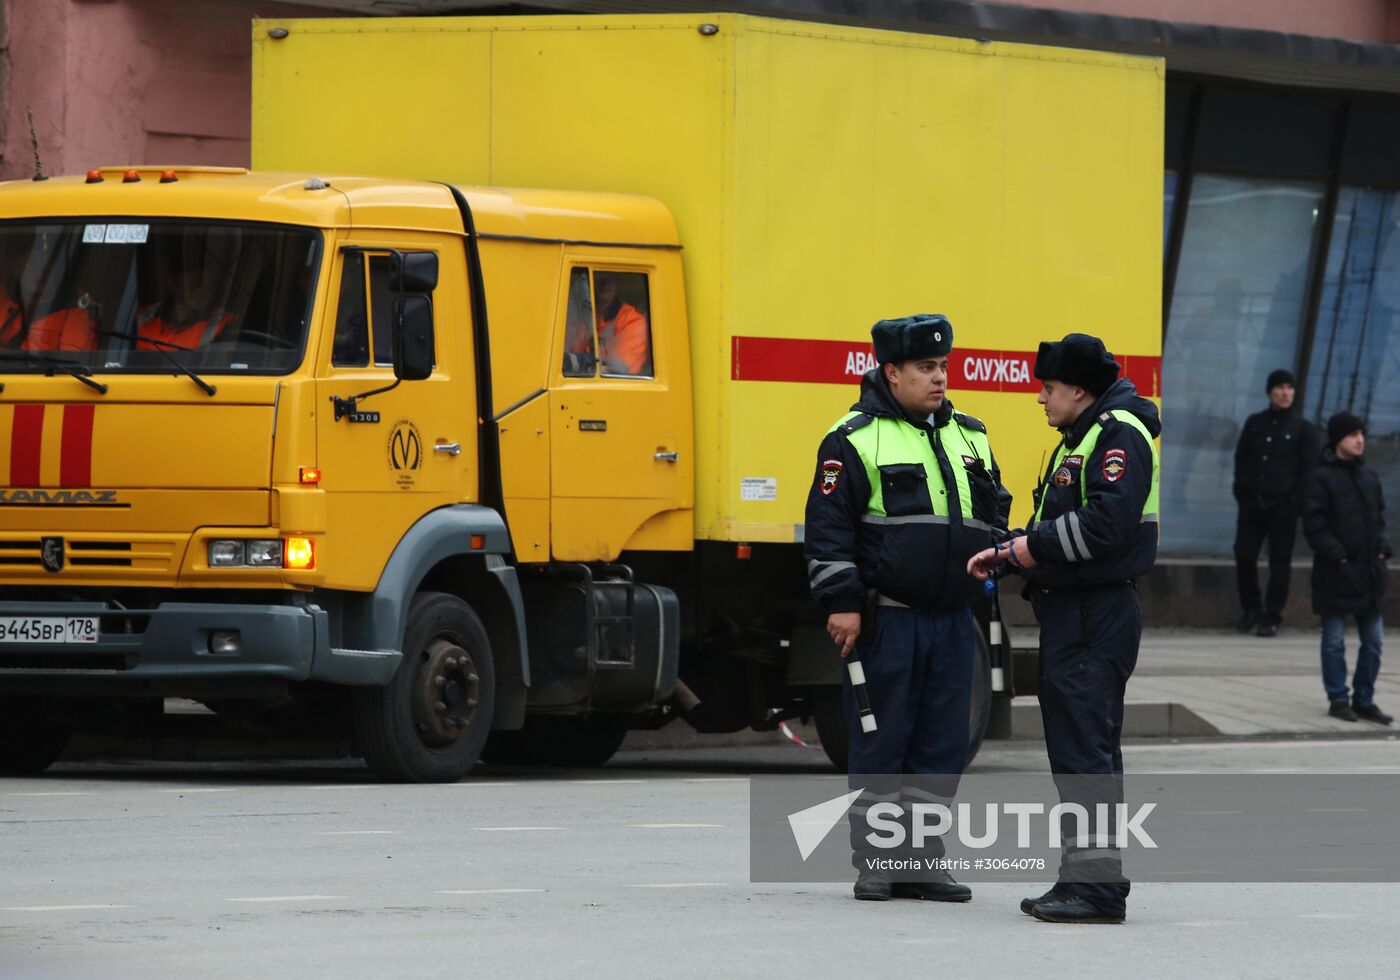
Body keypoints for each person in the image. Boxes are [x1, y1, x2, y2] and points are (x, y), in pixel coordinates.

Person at [804, 313, 1011, 903]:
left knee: (942, 743)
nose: (939, 378)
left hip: (952, 620)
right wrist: (842, 603)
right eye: (926, 368)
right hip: (886, 618)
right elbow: (828, 532)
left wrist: (996, 559)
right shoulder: (852, 437)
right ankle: (876, 861)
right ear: (891, 373)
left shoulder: (971, 434)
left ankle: (923, 861)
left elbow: (994, 506)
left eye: (942, 366)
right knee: (880, 739)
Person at [968, 332, 1160, 925]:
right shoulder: (1080, 436)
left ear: (1079, 389)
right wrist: (1012, 551)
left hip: (1094, 613)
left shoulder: (1117, 434)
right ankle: (1086, 878)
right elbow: (1060, 526)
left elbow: (1105, 525)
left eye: (1048, 389)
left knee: (1085, 751)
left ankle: (1096, 889)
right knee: (1083, 749)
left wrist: (1027, 550)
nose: (1042, 399)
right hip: (1077, 610)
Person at [1302, 412, 1392, 725]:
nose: (1360, 440)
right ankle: (1338, 699)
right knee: (1334, 641)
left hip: (1369, 574)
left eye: (1362, 434)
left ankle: (1364, 698)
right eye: (1353, 434)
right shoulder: (1320, 478)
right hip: (1335, 573)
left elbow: (1379, 521)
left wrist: (1382, 550)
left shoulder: (1369, 477)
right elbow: (1315, 526)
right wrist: (1338, 557)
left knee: (1374, 641)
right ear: (1338, 439)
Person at [1233, 369, 1316, 637]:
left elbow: (1308, 471)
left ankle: (1272, 615)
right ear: (1270, 391)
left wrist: (1294, 502)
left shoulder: (1303, 428)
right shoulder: (1255, 423)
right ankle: (1251, 610)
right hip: (1252, 504)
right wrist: (1243, 492)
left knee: (1280, 562)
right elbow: (1241, 459)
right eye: (1280, 387)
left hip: (1283, 506)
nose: (1285, 392)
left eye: (1289, 388)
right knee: (1244, 555)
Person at [135, 258, 232, 350]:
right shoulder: (141, 317)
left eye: (210, 285)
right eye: (196, 282)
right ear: (174, 284)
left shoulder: (226, 324)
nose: (204, 290)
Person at [593, 271, 650, 375]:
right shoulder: (582, 316)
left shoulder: (634, 321)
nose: (605, 282)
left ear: (616, 281)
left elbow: (616, 370)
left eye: (610, 276)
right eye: (599, 275)